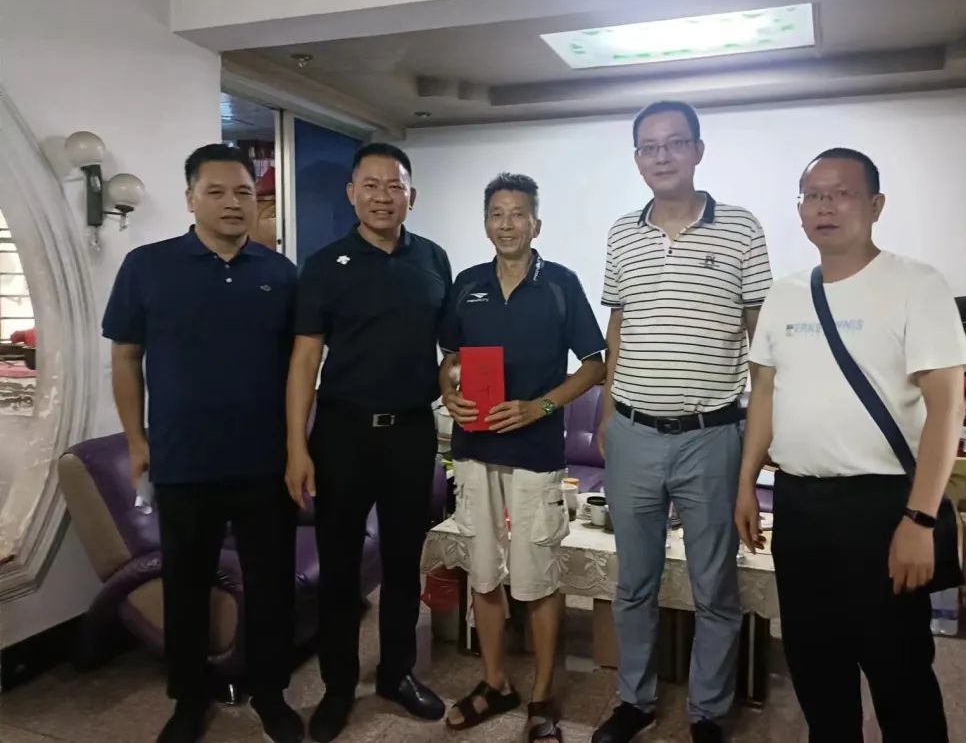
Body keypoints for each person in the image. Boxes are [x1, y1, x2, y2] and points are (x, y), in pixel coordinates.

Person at [735, 147, 966, 742]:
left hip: (884, 507)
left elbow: (948, 409)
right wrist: (746, 484)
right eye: (813, 196)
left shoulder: (916, 284)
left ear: (875, 205)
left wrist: (919, 519)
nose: (825, 207)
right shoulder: (785, 295)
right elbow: (764, 394)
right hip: (799, 506)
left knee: (900, 674)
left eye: (842, 193)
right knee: (817, 671)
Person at [103, 144, 302, 743]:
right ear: (190, 198)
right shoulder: (147, 266)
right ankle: (189, 699)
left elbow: (300, 366)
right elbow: (126, 357)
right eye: (216, 192)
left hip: (264, 463)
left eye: (244, 192)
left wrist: (298, 447)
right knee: (186, 587)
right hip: (183, 461)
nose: (232, 203)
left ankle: (271, 694)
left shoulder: (280, 274)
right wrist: (136, 439)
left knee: (270, 586)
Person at [593, 101, 772, 743]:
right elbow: (618, 327)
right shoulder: (622, 233)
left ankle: (708, 712)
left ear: (698, 150)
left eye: (674, 143)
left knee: (714, 587)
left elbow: (760, 342)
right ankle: (635, 701)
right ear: (637, 159)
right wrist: (607, 415)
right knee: (634, 584)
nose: (661, 156)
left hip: (711, 436)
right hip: (633, 434)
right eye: (649, 146)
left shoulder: (742, 229)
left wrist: (759, 441)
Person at [285, 142, 451, 742]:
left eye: (395, 185)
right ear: (352, 193)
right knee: (341, 567)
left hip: (411, 432)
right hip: (343, 433)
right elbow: (305, 360)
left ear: (412, 195)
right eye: (372, 185)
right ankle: (336, 687)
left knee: (404, 562)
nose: (384, 196)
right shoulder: (324, 265)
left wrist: (459, 383)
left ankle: (397, 674)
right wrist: (297, 447)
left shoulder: (433, 258)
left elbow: (449, 349)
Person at [439, 173, 607, 743]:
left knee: (537, 578)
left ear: (536, 223)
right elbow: (450, 359)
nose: (506, 224)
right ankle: (494, 683)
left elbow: (595, 363)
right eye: (497, 214)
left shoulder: (560, 284)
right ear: (485, 222)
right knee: (484, 573)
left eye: (517, 214)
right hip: (474, 450)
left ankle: (542, 696)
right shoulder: (467, 284)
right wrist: (448, 393)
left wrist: (542, 406)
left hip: (535, 454)